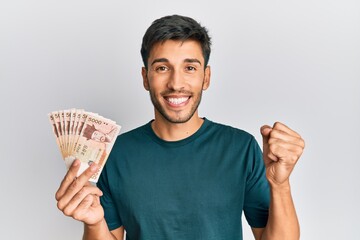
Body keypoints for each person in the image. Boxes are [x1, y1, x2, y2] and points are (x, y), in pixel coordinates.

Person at [55, 15, 305, 240]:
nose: (176, 83)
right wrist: (95, 223)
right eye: (162, 68)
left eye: (190, 68)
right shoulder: (114, 153)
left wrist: (280, 185)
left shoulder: (240, 147)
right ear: (145, 78)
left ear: (206, 77)